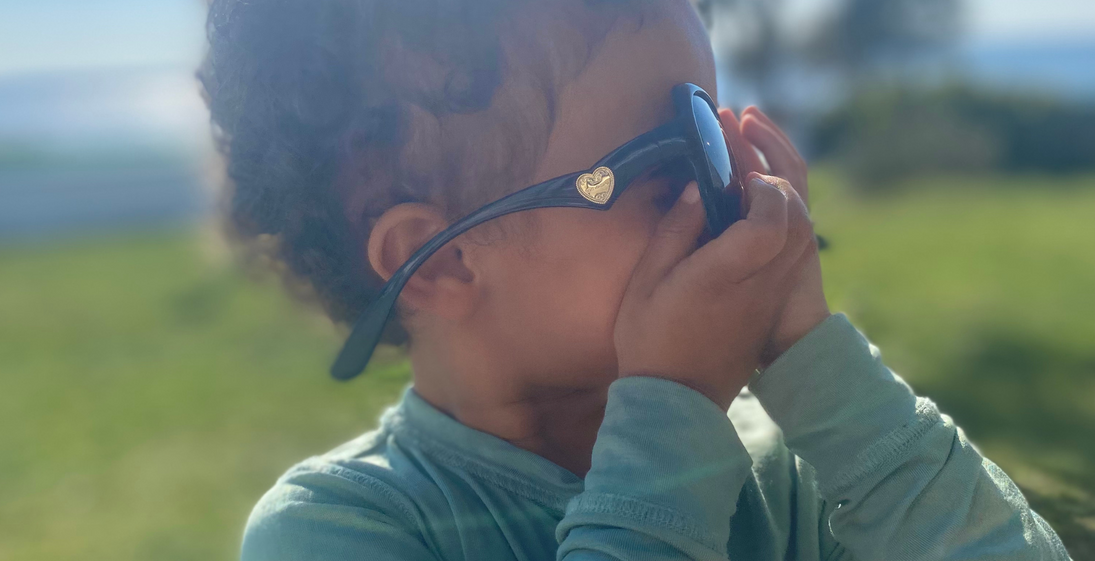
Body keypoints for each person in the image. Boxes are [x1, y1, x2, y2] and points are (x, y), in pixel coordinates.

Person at [200, 0, 1072, 559]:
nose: (738, 183)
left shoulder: (797, 470)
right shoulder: (341, 529)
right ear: (445, 259)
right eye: (670, 157)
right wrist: (671, 415)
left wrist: (809, 356)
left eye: (718, 125)